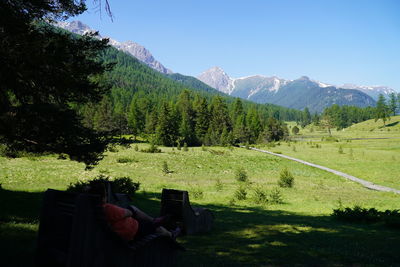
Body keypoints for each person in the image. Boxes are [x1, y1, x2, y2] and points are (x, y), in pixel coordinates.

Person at [88, 181, 180, 241]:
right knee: (155, 227)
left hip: (126, 230)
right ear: (104, 196)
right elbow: (129, 213)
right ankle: (170, 234)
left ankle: (155, 221)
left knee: (137, 213)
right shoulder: (107, 208)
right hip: (132, 231)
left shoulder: (91, 209)